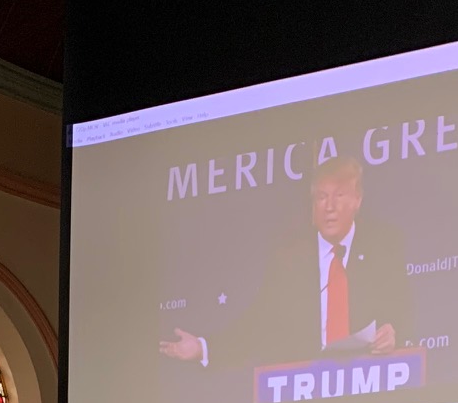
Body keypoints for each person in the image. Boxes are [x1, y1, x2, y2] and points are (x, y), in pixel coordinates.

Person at [159, 155, 412, 372]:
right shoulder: (290, 259)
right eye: (322, 197)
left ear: (357, 200)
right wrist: (203, 348)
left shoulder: (383, 247)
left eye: (339, 195)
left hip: (368, 384)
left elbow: (403, 313)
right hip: (306, 391)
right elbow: (256, 324)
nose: (330, 207)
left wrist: (394, 333)